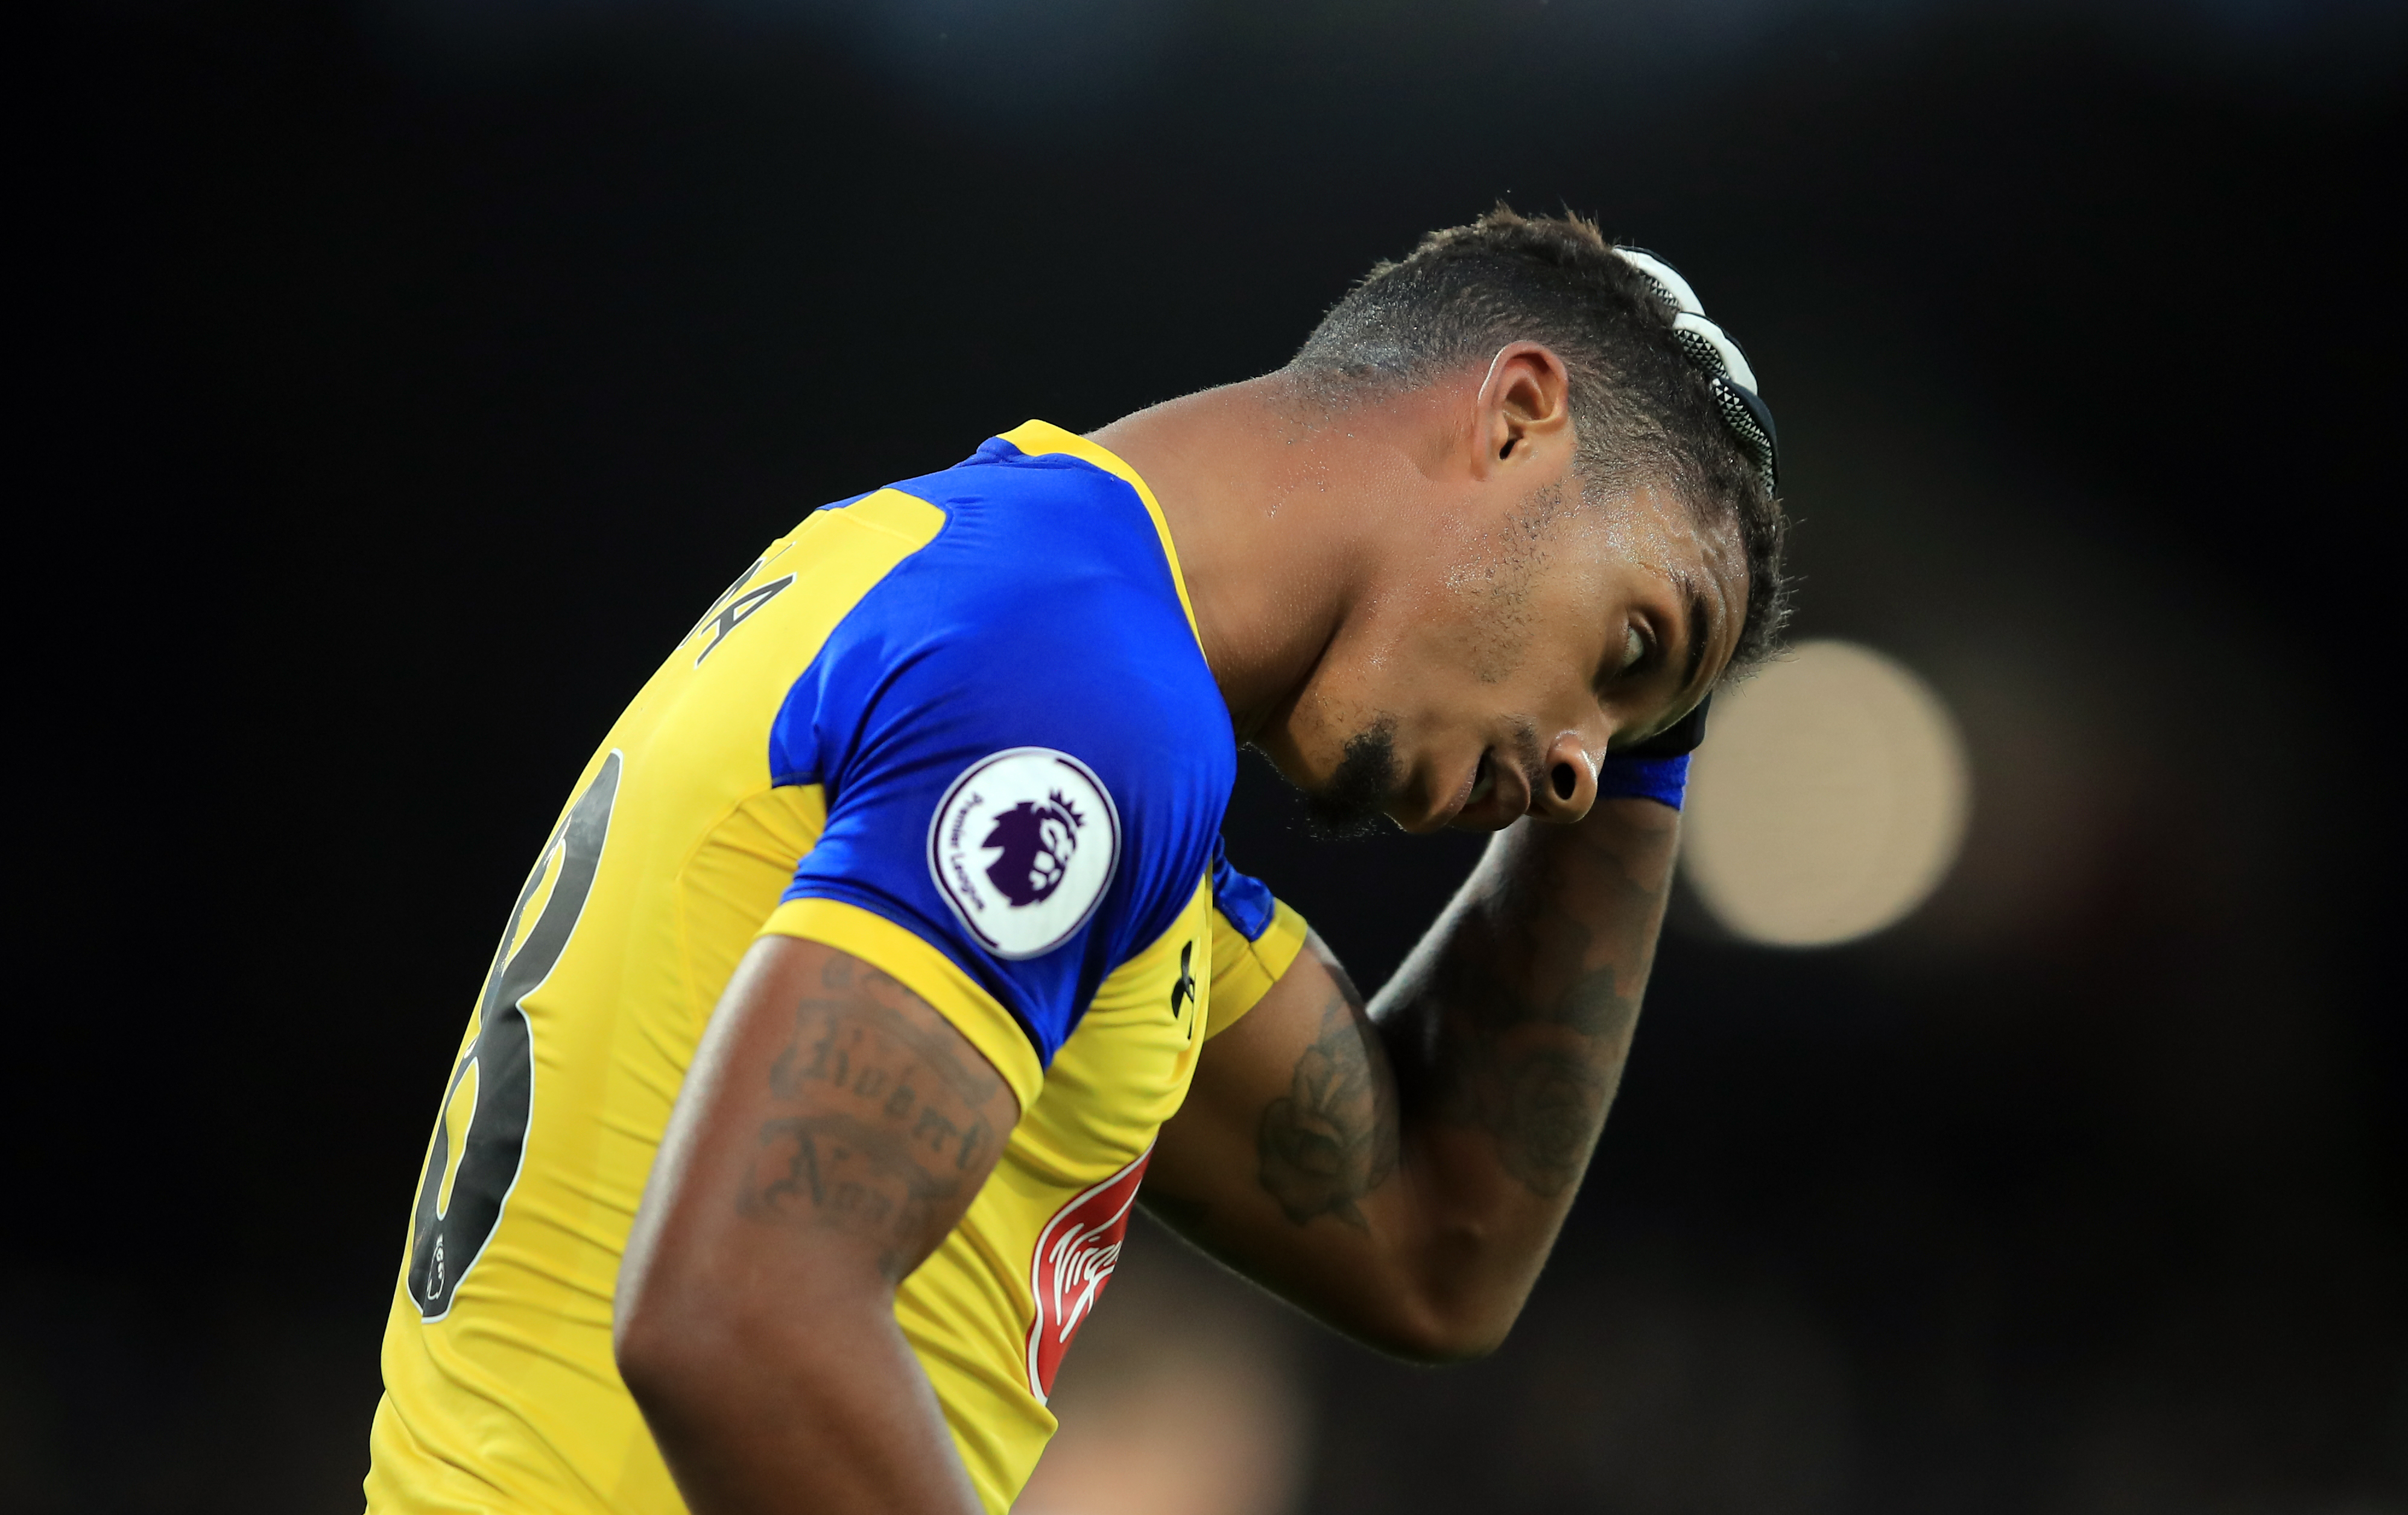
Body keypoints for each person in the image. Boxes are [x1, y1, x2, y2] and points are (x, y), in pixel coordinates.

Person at [363, 206, 1790, 1515]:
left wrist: (1662, 730)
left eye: (1634, 727)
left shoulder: (990, 607)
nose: (1576, 773)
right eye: (1628, 648)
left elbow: (1436, 1241)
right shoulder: (1078, 688)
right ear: (1517, 416)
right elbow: (740, 1314)